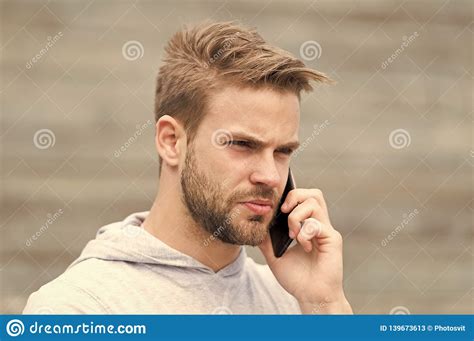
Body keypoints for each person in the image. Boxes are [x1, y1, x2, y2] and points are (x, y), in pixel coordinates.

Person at [23, 21, 353, 314]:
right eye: (242, 144)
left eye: (282, 151)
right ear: (171, 141)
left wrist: (325, 302)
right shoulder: (78, 309)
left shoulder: (294, 300)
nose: (269, 176)